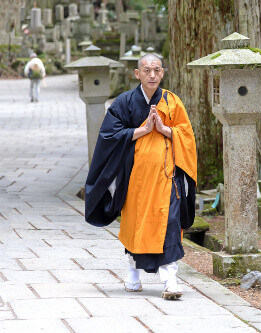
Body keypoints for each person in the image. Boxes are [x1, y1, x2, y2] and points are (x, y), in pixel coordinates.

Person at [85, 54, 197, 300]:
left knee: (169, 224)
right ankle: (133, 276)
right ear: (137, 74)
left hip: (167, 176)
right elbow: (108, 136)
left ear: (163, 73)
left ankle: (170, 280)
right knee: (135, 224)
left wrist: (165, 130)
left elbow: (186, 135)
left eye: (157, 70)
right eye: (147, 70)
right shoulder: (124, 102)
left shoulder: (172, 102)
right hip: (135, 178)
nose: (152, 75)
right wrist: (142, 130)